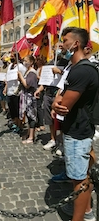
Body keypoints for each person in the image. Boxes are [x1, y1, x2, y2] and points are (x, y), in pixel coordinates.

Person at [52, 27, 99, 221]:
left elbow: (63, 104)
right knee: (79, 175)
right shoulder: (76, 69)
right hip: (77, 129)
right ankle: (85, 211)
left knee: (79, 179)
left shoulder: (82, 70)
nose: (61, 45)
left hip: (78, 131)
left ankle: (79, 219)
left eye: (65, 40)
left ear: (76, 44)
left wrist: (58, 102)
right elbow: (60, 96)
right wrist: (57, 101)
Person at [3, 52, 26, 133]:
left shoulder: (20, 67)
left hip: (17, 91)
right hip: (9, 90)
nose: (11, 57)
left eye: (13, 56)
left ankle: (20, 125)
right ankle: (15, 124)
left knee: (17, 110)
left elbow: (24, 77)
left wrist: (20, 78)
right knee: (12, 109)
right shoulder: (10, 66)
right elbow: (7, 78)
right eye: (11, 56)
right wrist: (5, 88)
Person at [18, 55, 38, 143]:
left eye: (26, 60)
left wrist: (20, 76)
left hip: (30, 97)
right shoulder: (27, 71)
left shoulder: (32, 72)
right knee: (28, 116)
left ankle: (31, 137)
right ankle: (29, 134)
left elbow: (27, 84)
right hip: (26, 96)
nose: (24, 62)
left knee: (31, 116)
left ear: (31, 62)